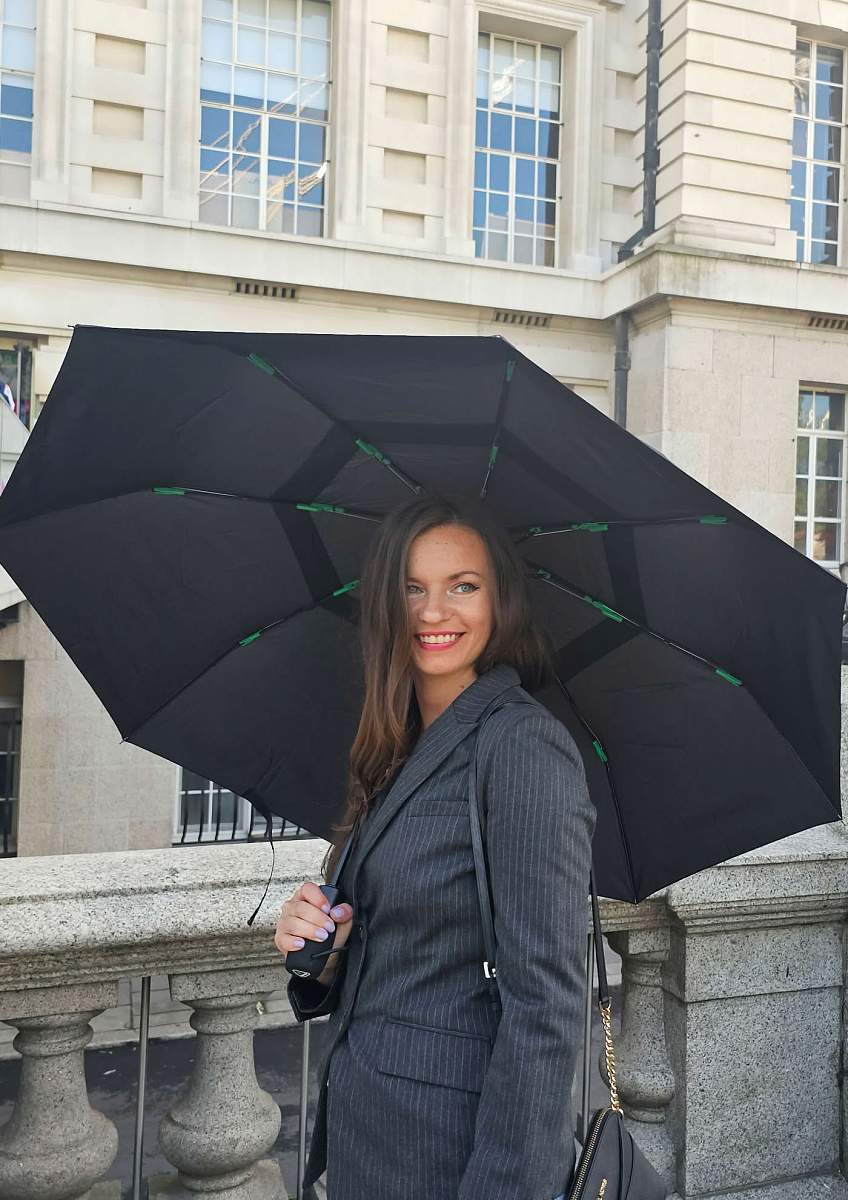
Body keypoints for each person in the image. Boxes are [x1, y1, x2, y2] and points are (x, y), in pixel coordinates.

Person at [275, 495, 596, 1200]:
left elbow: (546, 1005)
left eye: (463, 586)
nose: (433, 611)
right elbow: (411, 947)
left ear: (500, 602)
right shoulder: (397, 743)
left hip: (454, 1155)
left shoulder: (521, 747)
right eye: (412, 588)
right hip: (372, 1138)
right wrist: (327, 952)